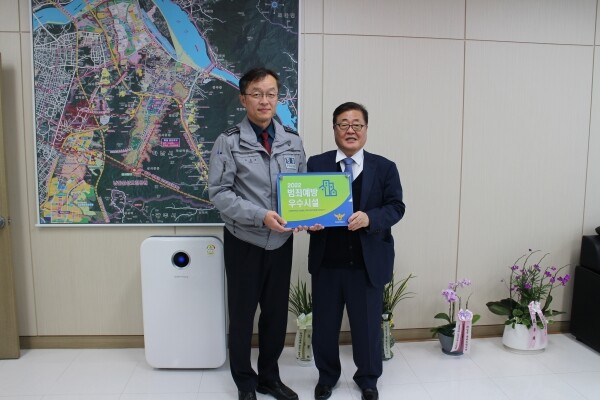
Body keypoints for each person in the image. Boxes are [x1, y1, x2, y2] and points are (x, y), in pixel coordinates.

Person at [208, 67, 307, 400]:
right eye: (257, 94)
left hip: (281, 242)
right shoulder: (228, 141)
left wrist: (307, 215)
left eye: (271, 94)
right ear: (243, 99)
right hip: (244, 241)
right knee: (242, 315)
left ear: (278, 98)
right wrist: (260, 216)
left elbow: (302, 186)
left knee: (276, 316)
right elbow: (219, 194)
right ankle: (245, 383)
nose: (265, 100)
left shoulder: (293, 140)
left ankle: (269, 378)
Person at [307, 102, 405, 400]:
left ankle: (368, 379)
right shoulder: (317, 164)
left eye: (357, 124)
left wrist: (370, 218)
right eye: (343, 124)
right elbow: (307, 206)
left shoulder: (385, 167)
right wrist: (310, 222)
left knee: (367, 327)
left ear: (365, 129)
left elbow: (396, 207)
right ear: (334, 128)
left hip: (366, 264)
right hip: (327, 262)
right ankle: (327, 377)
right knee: (324, 326)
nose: (350, 130)